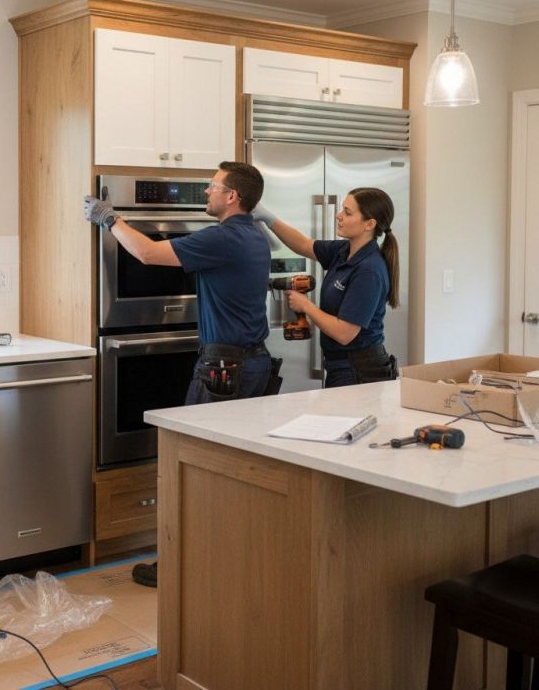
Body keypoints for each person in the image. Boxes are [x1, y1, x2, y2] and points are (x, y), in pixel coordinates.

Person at [85, 162, 277, 587]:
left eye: (212, 186)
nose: (205, 192)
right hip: (250, 362)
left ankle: (180, 567)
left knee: (192, 467)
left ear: (232, 197)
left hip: (225, 367)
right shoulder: (252, 235)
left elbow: (148, 254)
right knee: (226, 470)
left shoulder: (226, 237)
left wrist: (110, 219)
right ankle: (221, 560)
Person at [254, 187, 399, 388]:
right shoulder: (344, 250)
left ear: (369, 224)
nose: (338, 216)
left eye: (348, 213)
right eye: (341, 210)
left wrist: (306, 306)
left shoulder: (369, 270)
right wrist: (268, 218)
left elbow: (344, 333)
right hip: (341, 365)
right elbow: (304, 244)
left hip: (359, 370)